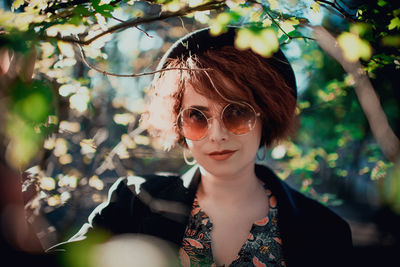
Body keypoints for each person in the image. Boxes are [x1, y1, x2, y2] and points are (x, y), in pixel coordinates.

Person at [48, 27, 353, 267]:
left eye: (237, 112)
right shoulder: (134, 203)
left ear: (266, 117)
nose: (217, 134)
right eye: (196, 116)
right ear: (179, 125)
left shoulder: (324, 231)